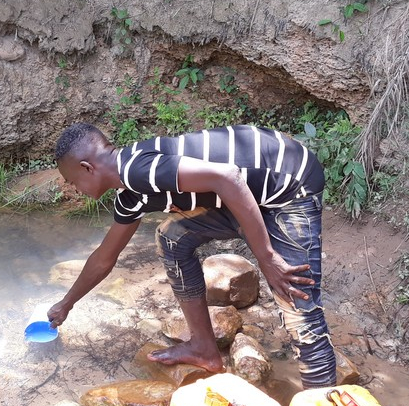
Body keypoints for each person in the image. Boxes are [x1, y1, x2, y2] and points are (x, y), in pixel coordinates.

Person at [48, 122, 337, 389]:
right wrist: (66, 304)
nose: (74, 189)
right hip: (250, 194)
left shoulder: (137, 169)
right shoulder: (131, 195)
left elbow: (227, 176)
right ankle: (203, 348)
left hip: (291, 185)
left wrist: (266, 256)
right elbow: (103, 258)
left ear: (87, 168)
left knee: (296, 299)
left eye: (72, 181)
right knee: (171, 237)